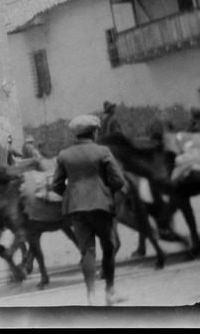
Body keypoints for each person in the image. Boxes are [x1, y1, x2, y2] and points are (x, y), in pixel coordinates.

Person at [52, 114, 128, 306]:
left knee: (87, 250)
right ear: (94, 132)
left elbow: (56, 185)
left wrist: (72, 195)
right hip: (101, 205)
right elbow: (118, 180)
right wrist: (105, 191)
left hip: (76, 209)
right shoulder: (102, 152)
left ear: (76, 134)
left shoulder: (64, 155)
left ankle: (91, 296)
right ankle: (110, 292)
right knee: (108, 248)